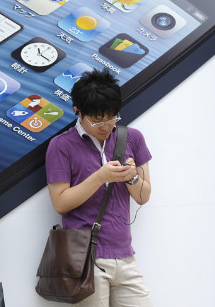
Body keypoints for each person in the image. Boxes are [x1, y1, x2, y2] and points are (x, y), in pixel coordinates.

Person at [45, 69, 152, 306]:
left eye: (112, 117)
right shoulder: (61, 145)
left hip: (125, 255)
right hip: (85, 258)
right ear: (78, 111)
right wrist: (101, 176)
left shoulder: (132, 137)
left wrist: (132, 176)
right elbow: (61, 203)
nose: (105, 126)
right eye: (97, 119)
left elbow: (144, 197)